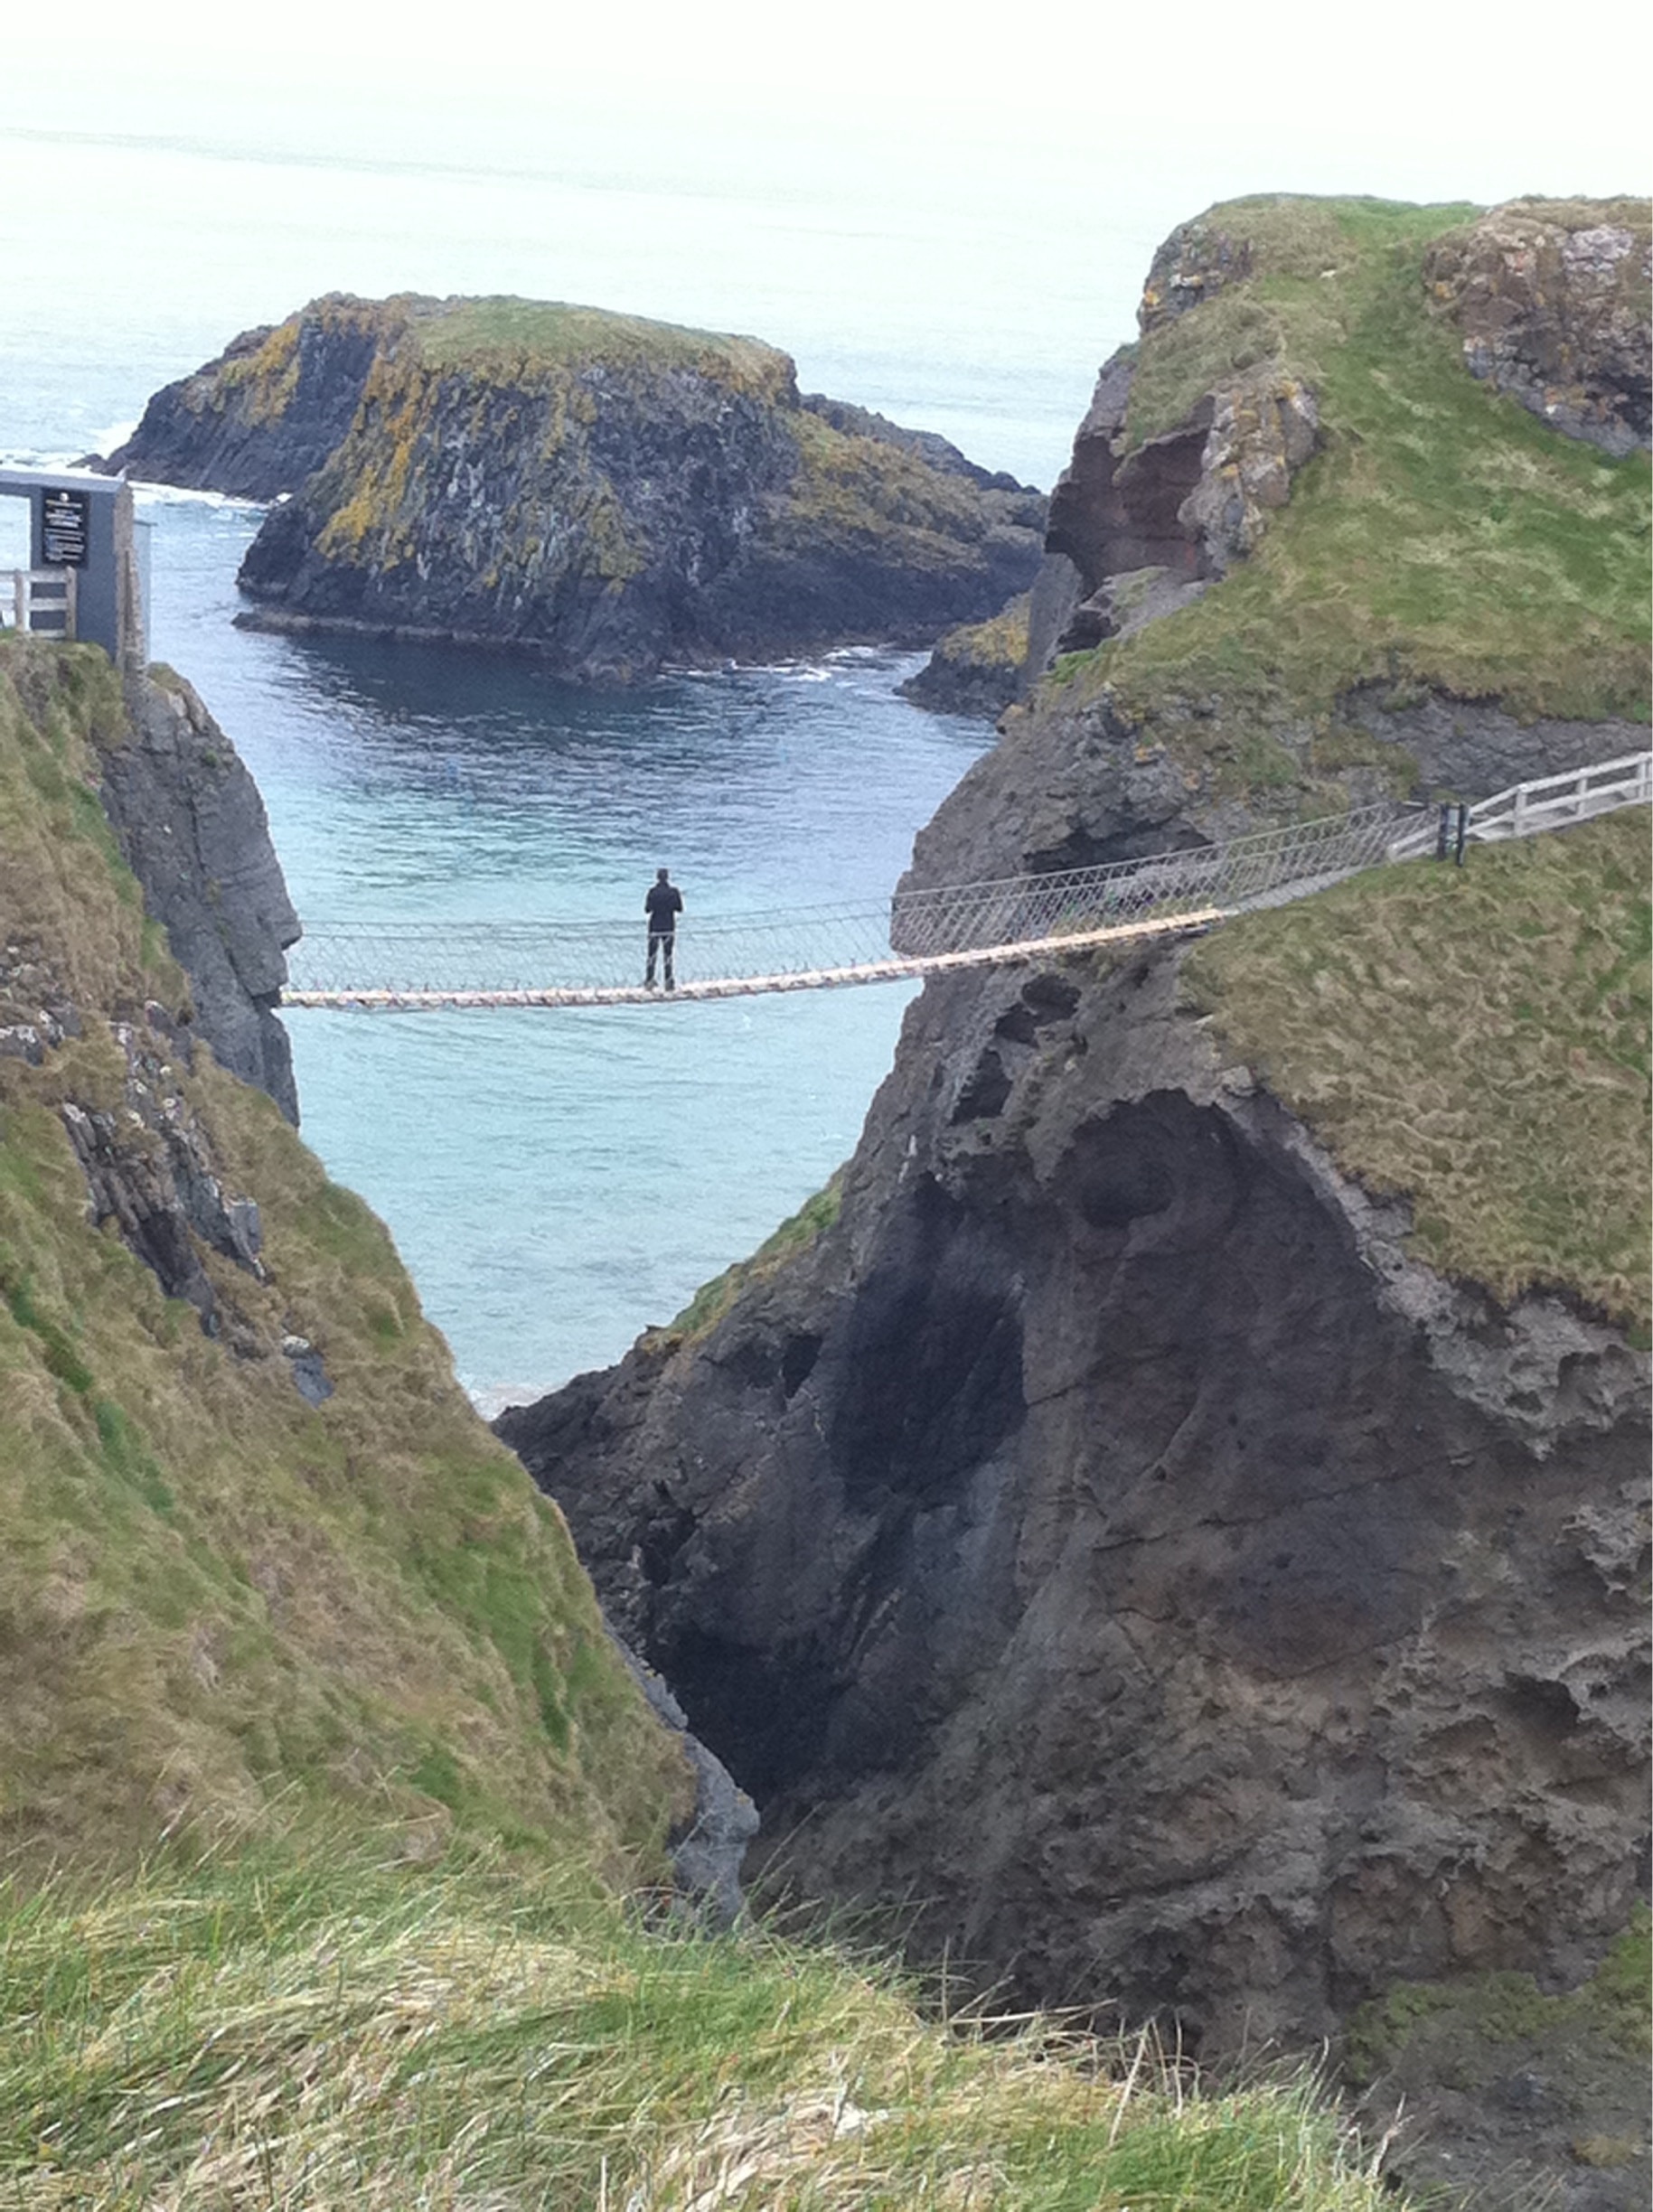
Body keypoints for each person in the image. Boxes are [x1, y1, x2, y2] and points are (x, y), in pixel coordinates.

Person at [643, 867, 683, 989]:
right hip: (668, 926)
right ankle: (669, 980)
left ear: (657, 878)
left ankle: (649, 980)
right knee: (668, 955)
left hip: (655, 926)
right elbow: (680, 908)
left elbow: (647, 909)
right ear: (667, 877)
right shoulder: (674, 892)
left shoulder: (652, 892)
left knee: (652, 955)